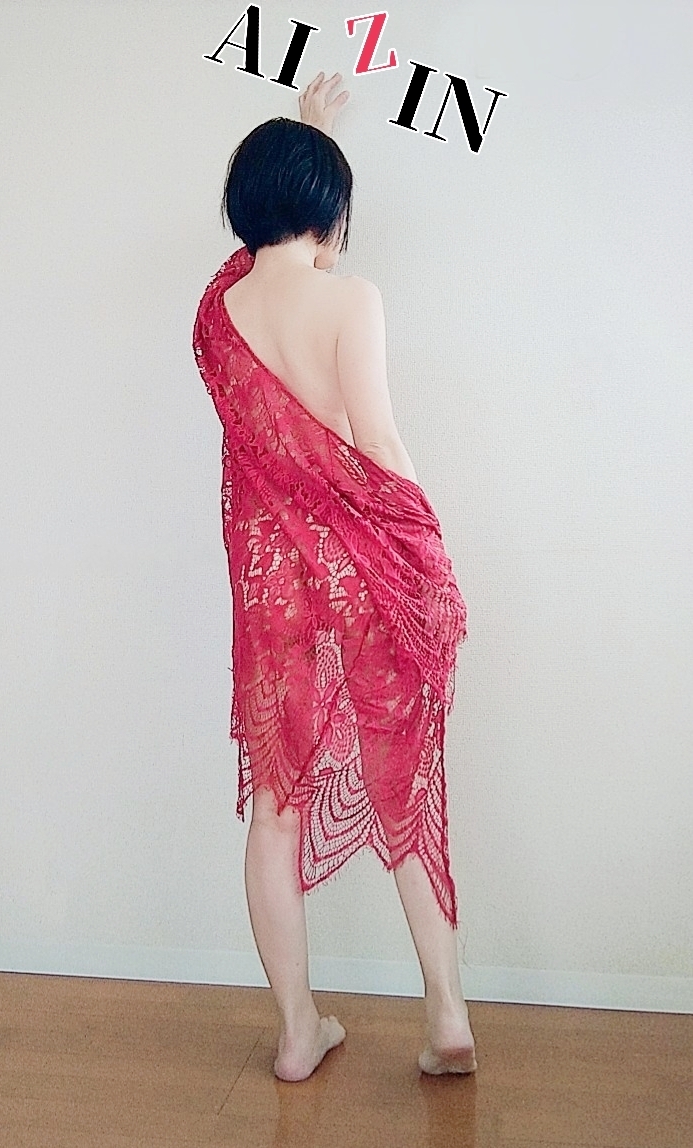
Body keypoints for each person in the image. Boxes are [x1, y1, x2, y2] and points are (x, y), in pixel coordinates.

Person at [192, 73, 477, 1082]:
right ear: (328, 210)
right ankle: (446, 1014)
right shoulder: (350, 300)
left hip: (273, 589)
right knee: (403, 781)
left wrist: (305, 139)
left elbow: (246, 263)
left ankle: (295, 1030)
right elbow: (377, 441)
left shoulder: (216, 314)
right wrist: (426, 552)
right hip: (360, 573)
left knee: (274, 806)